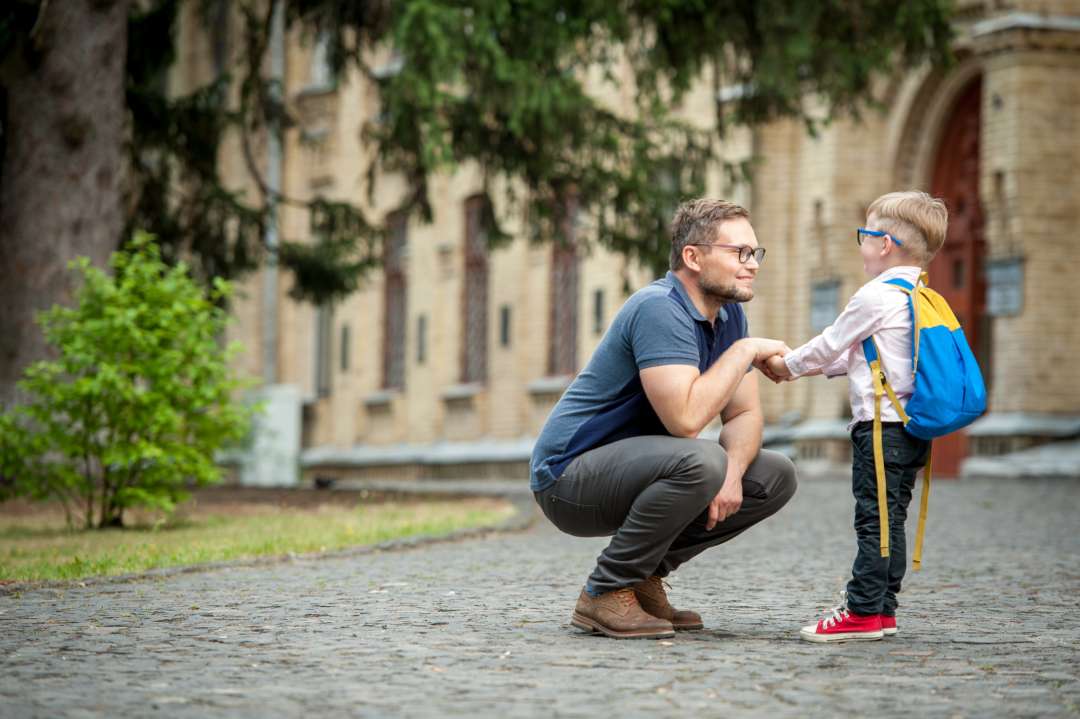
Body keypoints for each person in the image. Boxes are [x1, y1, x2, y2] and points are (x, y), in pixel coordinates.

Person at [530, 198, 798, 640]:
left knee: (774, 474)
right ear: (693, 256)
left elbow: (746, 413)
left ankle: (643, 577)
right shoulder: (659, 308)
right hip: (568, 477)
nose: (752, 265)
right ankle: (605, 590)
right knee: (701, 462)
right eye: (739, 253)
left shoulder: (730, 314)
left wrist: (732, 476)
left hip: (638, 470)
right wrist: (745, 350)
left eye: (755, 253)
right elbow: (686, 420)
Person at [765, 190, 948, 642]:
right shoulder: (918, 295)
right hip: (912, 429)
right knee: (892, 518)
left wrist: (785, 367)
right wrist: (803, 368)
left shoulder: (876, 296)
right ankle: (884, 608)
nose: (861, 245)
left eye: (863, 236)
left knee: (873, 519)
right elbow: (858, 356)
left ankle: (862, 610)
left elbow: (831, 342)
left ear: (883, 244)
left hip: (880, 428)